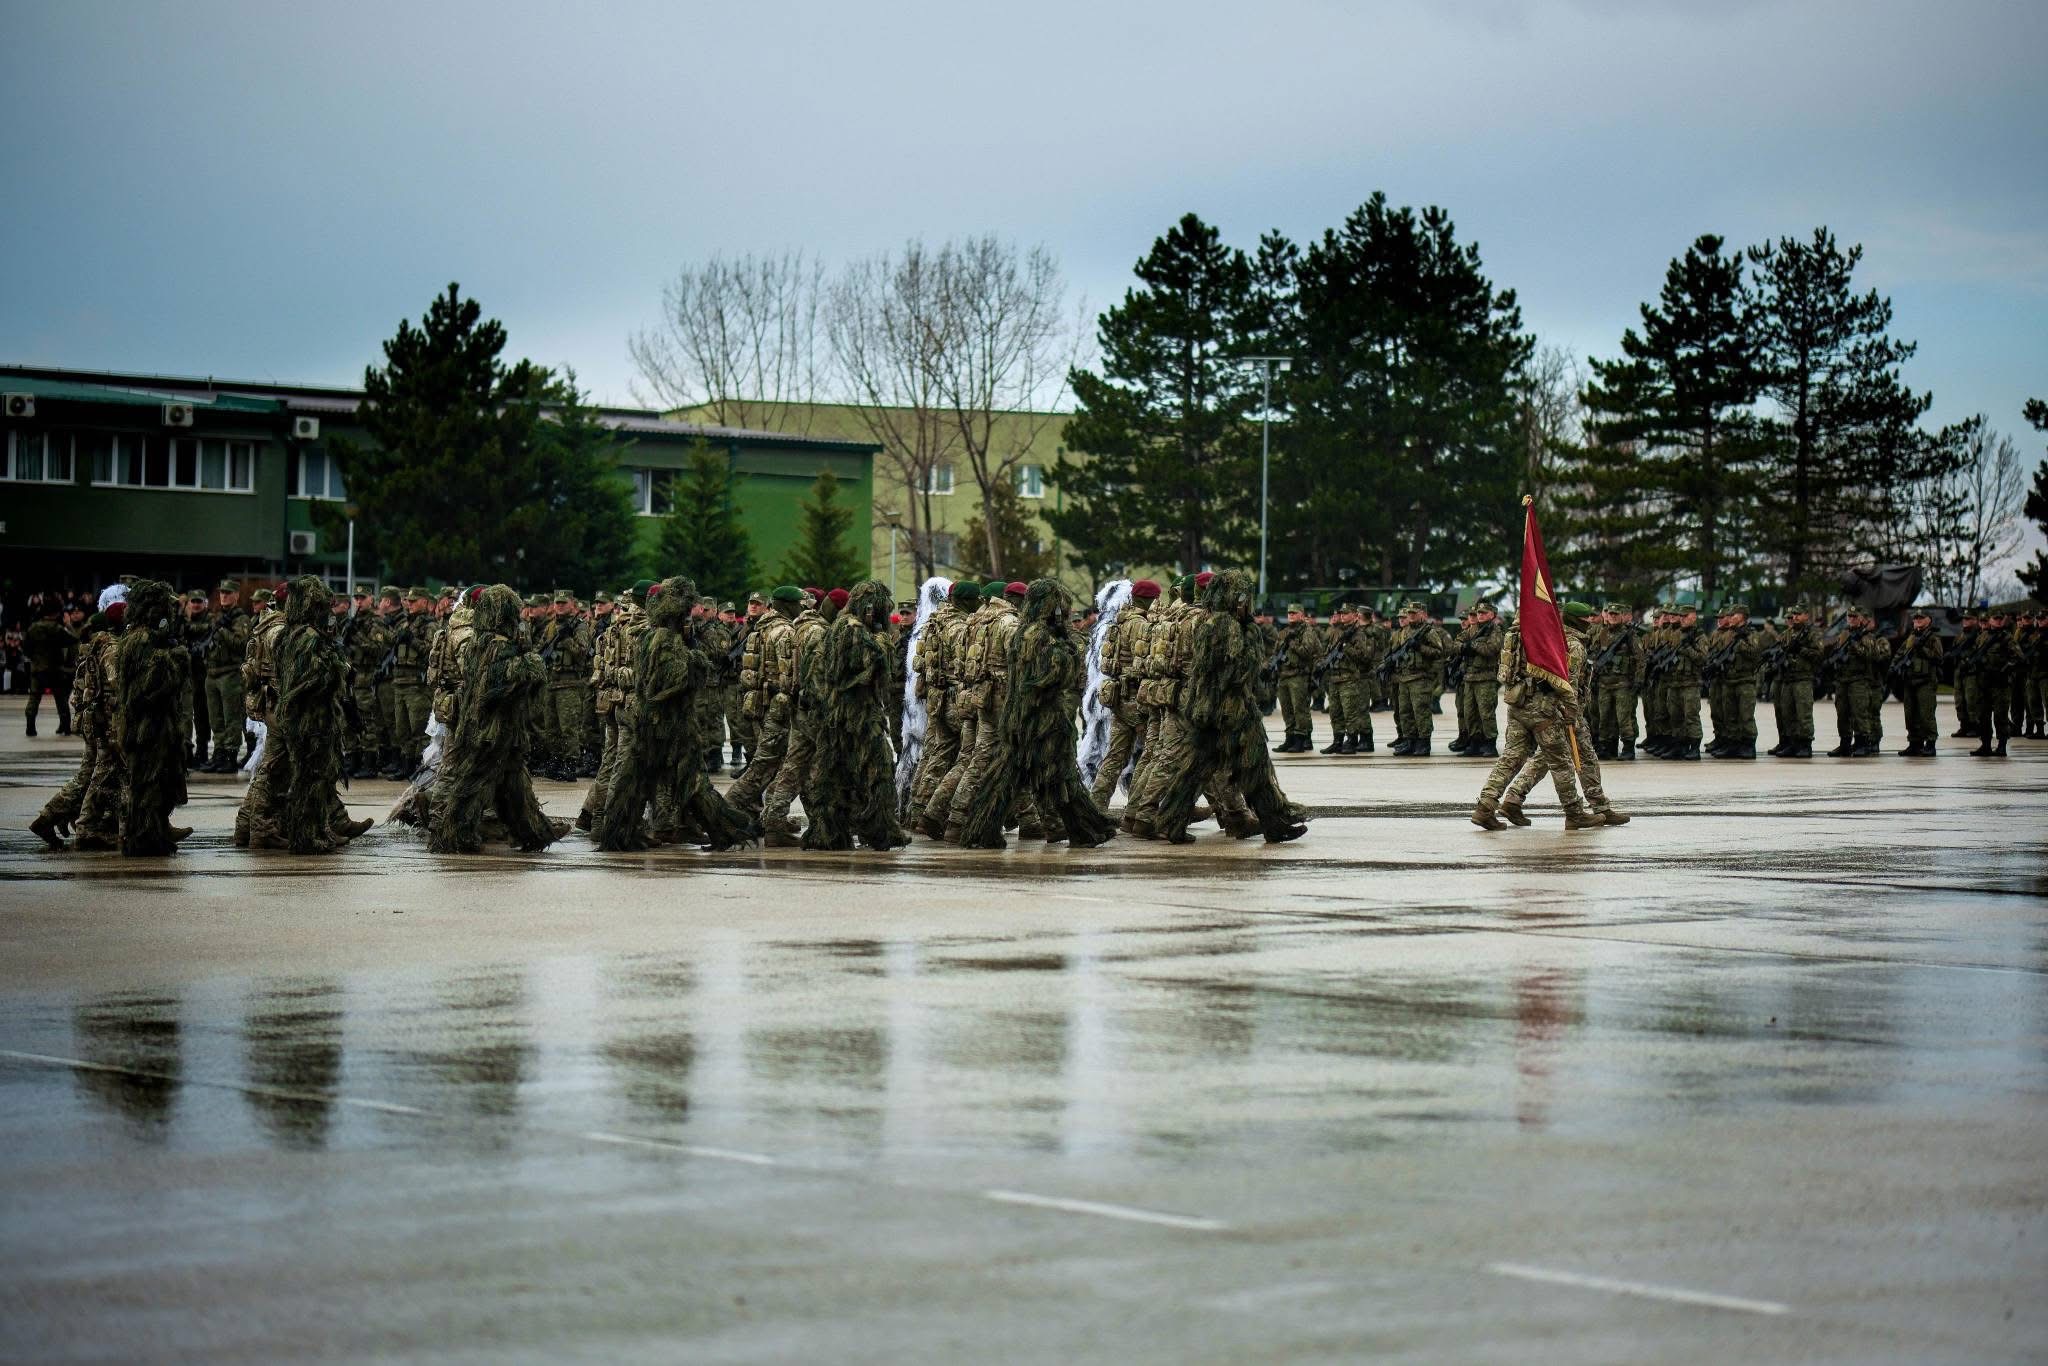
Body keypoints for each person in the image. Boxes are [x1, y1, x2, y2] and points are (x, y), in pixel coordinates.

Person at [596, 577, 757, 852]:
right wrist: (695, 662)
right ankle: (726, 832)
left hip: (655, 722)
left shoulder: (654, 636)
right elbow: (670, 680)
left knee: (639, 781)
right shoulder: (664, 639)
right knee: (689, 783)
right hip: (669, 723)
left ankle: (623, 833)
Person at [959, 578, 1117, 849]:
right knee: (1054, 775)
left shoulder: (1025, 632)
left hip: (1024, 717)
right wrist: (1068, 648)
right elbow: (1053, 675)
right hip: (1041, 718)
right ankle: (1084, 829)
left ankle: (1082, 828)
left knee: (1028, 777)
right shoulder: (1040, 636)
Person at [1151, 570, 1307, 845]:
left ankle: (1273, 823)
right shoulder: (1225, 627)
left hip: (1222, 711)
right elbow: (1233, 671)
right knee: (1207, 771)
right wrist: (1251, 639)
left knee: (1244, 768)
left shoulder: (1221, 623)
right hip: (1226, 713)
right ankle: (1173, 822)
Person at [429, 585, 564, 853]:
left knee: (514, 782)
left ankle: (531, 831)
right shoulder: (489, 644)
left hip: (500, 727)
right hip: (490, 728)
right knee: (472, 782)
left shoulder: (483, 641)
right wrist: (528, 665)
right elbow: (492, 682)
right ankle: (452, 835)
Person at [1494, 601, 1629, 828]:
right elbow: (1569, 683)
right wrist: (1571, 712)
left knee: (1546, 759)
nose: (1591, 622)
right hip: (1565, 710)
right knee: (1584, 757)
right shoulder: (1572, 644)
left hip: (1556, 709)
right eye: (1587, 619)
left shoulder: (1558, 638)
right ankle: (1597, 808)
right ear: (1577, 620)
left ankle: (1513, 799)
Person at [801, 580, 914, 851]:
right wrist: (882, 638)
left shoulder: (840, 626)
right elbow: (871, 665)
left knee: (838, 774)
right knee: (878, 770)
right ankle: (881, 831)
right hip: (858, 714)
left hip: (839, 715)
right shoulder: (854, 630)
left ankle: (832, 831)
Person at [1471, 602, 1603, 832]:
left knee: (1510, 759)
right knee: (1561, 762)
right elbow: (1562, 681)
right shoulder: (1545, 639)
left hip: (1517, 704)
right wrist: (1571, 709)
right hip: (1543, 709)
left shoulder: (1515, 636)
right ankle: (1574, 813)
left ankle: (1484, 808)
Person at [29, 589, 119, 850]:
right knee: (93, 775)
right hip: (101, 719)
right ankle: (76, 823)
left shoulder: (90, 640)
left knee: (89, 774)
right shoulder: (105, 643)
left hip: (89, 716)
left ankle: (56, 817)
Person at [112, 580, 193, 855]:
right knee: (148, 784)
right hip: (147, 725)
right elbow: (151, 685)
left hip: (154, 723)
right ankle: (144, 839)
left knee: (160, 781)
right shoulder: (141, 639)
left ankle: (155, 831)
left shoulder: (139, 636)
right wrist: (177, 658)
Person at [908, 580, 979, 834]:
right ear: (966, 601)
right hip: (955, 699)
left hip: (936, 698)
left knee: (937, 755)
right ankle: (937, 813)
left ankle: (918, 810)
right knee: (970, 756)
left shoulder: (934, 621)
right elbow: (966, 665)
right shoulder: (959, 626)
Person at [727, 586, 802, 814]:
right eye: (798, 604)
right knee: (764, 765)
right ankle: (729, 808)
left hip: (761, 704)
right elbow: (789, 677)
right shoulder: (784, 631)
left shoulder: (760, 628)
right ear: (788, 605)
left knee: (769, 764)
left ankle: (765, 813)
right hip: (777, 709)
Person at [1089, 579, 1157, 804]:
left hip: (1119, 696)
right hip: (1137, 699)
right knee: (1153, 755)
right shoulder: (1140, 624)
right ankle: (1139, 807)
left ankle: (1097, 803)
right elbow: (1145, 662)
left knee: (1115, 756)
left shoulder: (1119, 621)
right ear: (1148, 599)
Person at [1386, 601, 1447, 756]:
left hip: (1420, 678)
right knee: (1405, 712)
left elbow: (1438, 652)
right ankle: (1410, 741)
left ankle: (1424, 743)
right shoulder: (1404, 632)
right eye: (1409, 613)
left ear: (1422, 614)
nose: (1411, 616)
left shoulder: (1429, 632)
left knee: (1421, 711)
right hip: (1404, 678)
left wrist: (1420, 647)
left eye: (1414, 613)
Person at [1767, 603, 1824, 758]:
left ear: (1806, 615)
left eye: (1799, 614)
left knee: (1803, 713)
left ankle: (1805, 744)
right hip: (1787, 678)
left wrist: (1801, 649)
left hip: (1803, 678)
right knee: (1787, 713)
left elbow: (1819, 654)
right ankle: (1792, 744)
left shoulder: (1813, 633)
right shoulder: (1788, 633)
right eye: (1794, 615)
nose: (1795, 617)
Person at [1451, 601, 1504, 758]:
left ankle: (1490, 743)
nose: (1479, 615)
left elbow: (1492, 649)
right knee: (1470, 713)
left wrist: (1473, 646)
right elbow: (1455, 644)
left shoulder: (1495, 630)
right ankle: (1475, 742)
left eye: (1483, 613)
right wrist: (1464, 647)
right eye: (1478, 613)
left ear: (1491, 615)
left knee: (1486, 713)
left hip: (1486, 677)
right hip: (1469, 677)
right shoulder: (1472, 629)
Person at [1589, 603, 1642, 760]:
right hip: (1604, 683)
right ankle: (1607, 747)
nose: (1612, 616)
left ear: (1621, 615)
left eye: (1615, 614)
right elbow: (1593, 654)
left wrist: (1638, 680)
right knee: (1604, 717)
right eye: (1610, 614)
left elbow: (1640, 659)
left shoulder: (1629, 635)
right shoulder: (1603, 633)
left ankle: (1628, 748)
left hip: (1622, 684)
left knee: (1623, 717)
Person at [1272, 604, 1324, 752]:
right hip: (1284, 676)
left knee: (1299, 710)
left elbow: (1307, 652)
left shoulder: (1307, 631)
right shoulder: (1283, 632)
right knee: (1286, 710)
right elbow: (1276, 653)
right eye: (1289, 613)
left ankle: (1301, 739)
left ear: (1302, 615)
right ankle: (1290, 738)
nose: (1291, 615)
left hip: (1298, 676)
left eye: (1294, 613)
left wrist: (1292, 643)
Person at [1893, 607, 1944, 756]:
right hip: (1910, 681)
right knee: (1910, 714)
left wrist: (1922, 649)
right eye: (1915, 618)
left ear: (1929, 620)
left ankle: (1930, 744)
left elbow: (1938, 658)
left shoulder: (1933, 638)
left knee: (1926, 714)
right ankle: (1914, 744)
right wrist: (1894, 667)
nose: (1917, 620)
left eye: (1921, 618)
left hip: (1925, 681)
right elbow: (1901, 653)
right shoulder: (1911, 637)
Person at [22, 599, 76, 738]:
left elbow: (26, 648)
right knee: (61, 699)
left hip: (37, 668)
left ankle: (30, 726)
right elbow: (73, 640)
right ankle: (65, 726)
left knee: (34, 698)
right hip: (55, 669)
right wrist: (68, 625)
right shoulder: (57, 629)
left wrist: (35, 659)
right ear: (56, 613)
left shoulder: (33, 628)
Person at [1971, 607, 2017, 758]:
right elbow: (1974, 654)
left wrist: (2006, 668)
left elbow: (2018, 657)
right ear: (1990, 620)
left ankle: (2002, 746)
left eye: (2000, 619)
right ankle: (1985, 745)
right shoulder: (1982, 637)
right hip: (1983, 683)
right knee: (1982, 715)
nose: (1997, 621)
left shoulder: (2007, 638)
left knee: (2000, 716)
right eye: (1995, 618)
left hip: (2000, 684)